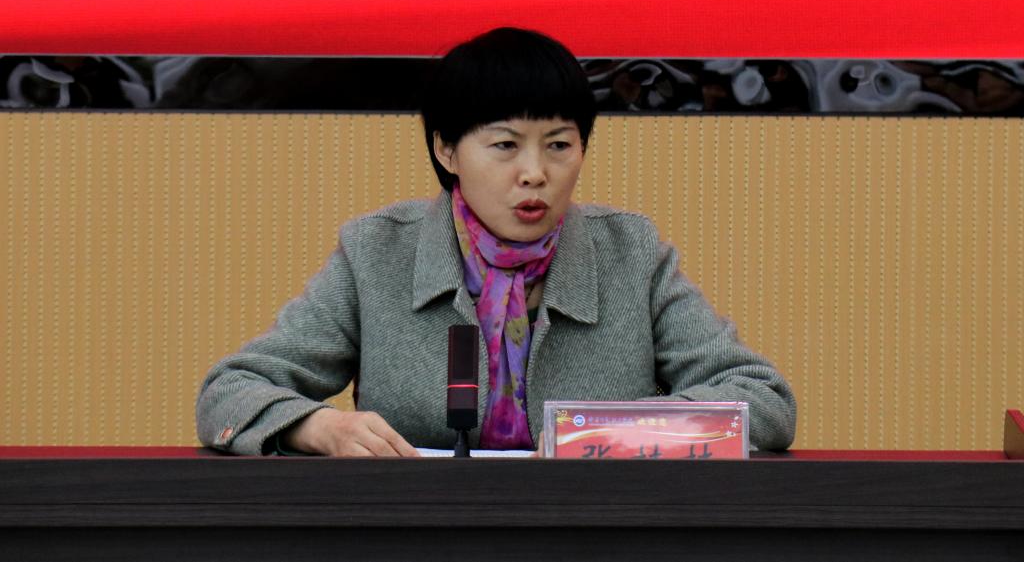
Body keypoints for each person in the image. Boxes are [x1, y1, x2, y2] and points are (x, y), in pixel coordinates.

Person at [196, 27, 797, 456]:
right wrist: (317, 428)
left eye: (558, 145)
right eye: (505, 145)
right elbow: (231, 391)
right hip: (419, 536)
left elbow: (762, 401)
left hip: (594, 536)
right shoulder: (376, 253)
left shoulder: (631, 254)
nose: (535, 173)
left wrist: (614, 431)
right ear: (446, 150)